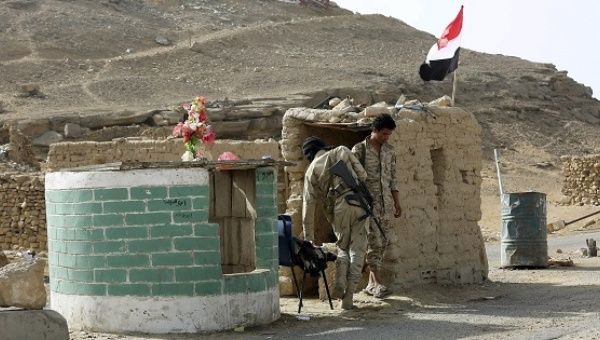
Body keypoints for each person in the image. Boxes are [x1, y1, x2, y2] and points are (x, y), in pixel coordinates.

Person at [301, 136, 369, 310]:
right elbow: (363, 175)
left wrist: (308, 238)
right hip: (358, 203)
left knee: (342, 247)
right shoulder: (341, 151)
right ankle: (349, 297)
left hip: (337, 209)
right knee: (358, 249)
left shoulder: (310, 171)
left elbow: (308, 207)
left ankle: (339, 282)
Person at [352, 113, 402, 299]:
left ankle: (372, 283)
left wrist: (397, 202)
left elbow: (393, 180)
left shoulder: (389, 151)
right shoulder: (359, 150)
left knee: (385, 240)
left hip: (385, 205)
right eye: (384, 134)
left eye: (389, 135)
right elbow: (352, 179)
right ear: (374, 130)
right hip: (367, 206)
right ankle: (376, 281)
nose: (386, 137)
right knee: (375, 241)